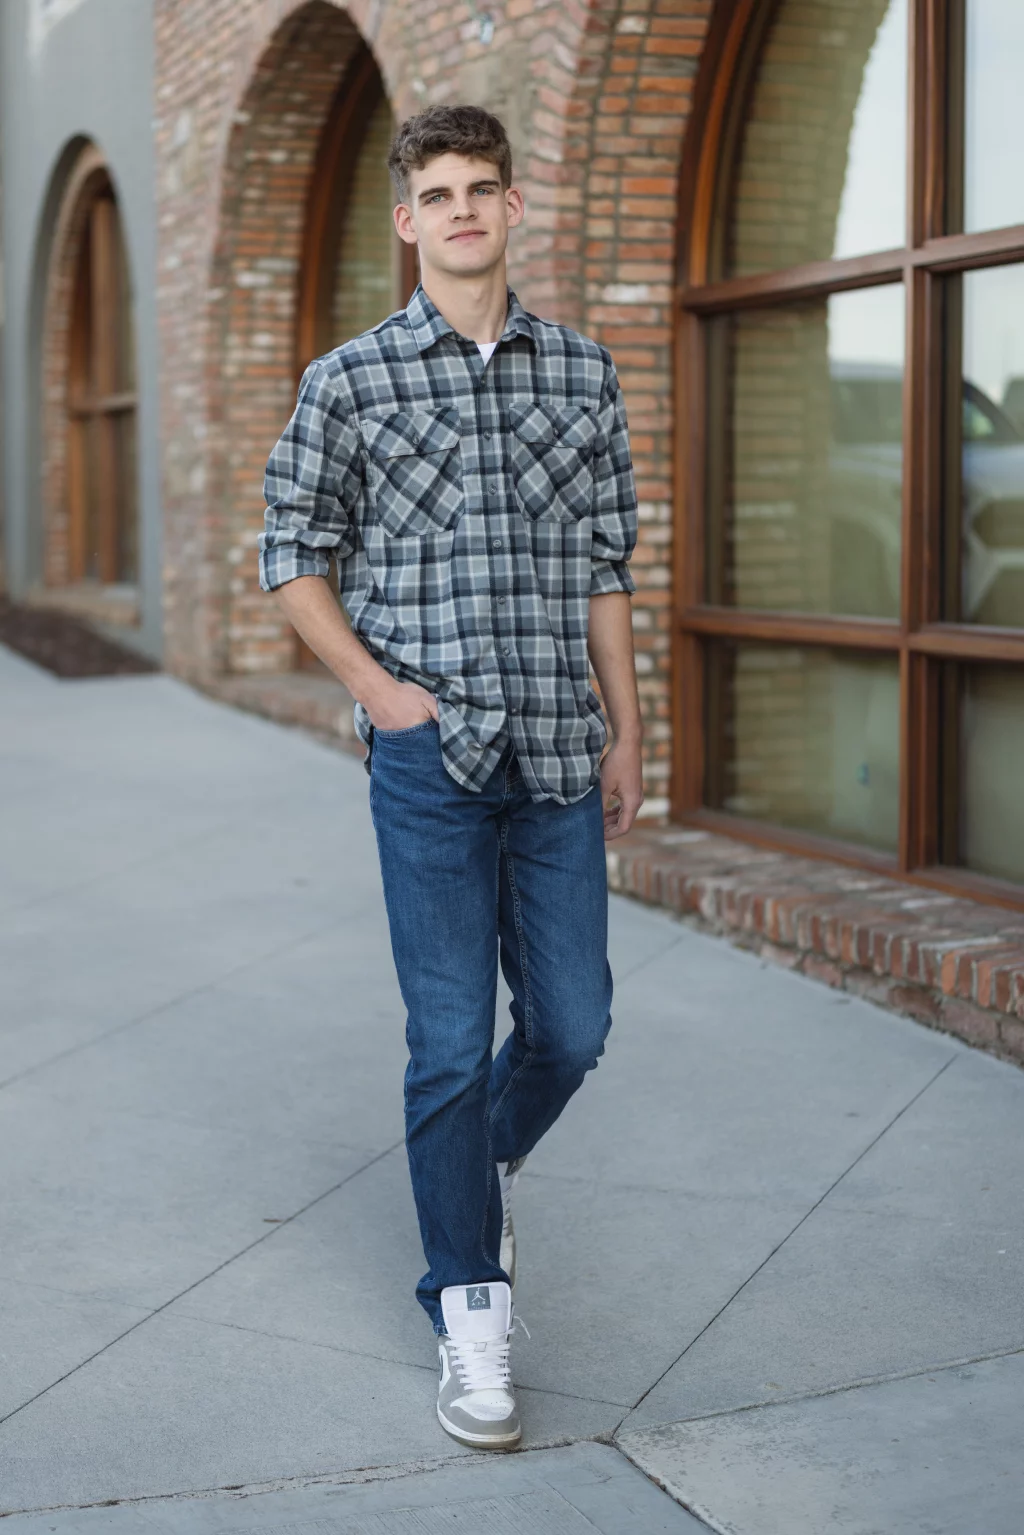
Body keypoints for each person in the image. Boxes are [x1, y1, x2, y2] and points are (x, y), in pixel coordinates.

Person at [259, 105, 642, 1451]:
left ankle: (474, 1170)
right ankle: (468, 1305)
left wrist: (629, 727)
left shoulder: (584, 373)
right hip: (427, 757)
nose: (466, 207)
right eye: (440, 190)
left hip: (554, 748)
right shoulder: (349, 380)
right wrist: (380, 696)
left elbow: (605, 567)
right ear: (409, 220)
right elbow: (290, 554)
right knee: (443, 1037)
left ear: (515, 207)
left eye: (486, 186)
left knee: (574, 1026)